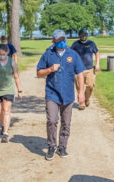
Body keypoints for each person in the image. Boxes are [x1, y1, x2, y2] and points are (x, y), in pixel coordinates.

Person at [37, 29, 85, 161]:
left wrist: (81, 92)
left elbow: (80, 74)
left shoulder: (73, 54)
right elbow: (39, 73)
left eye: (63, 39)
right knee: (52, 120)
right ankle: (51, 146)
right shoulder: (48, 54)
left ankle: (62, 146)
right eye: (59, 40)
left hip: (68, 95)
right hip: (52, 93)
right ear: (53, 41)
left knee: (66, 123)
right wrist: (50, 69)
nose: (62, 42)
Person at [70, 28, 100, 110]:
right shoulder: (75, 44)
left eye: (85, 34)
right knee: (80, 87)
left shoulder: (91, 43)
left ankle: (87, 98)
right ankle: (81, 103)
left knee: (90, 86)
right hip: (78, 70)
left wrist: (97, 64)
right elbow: (70, 55)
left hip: (89, 69)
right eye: (82, 34)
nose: (84, 36)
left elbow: (97, 53)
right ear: (79, 35)